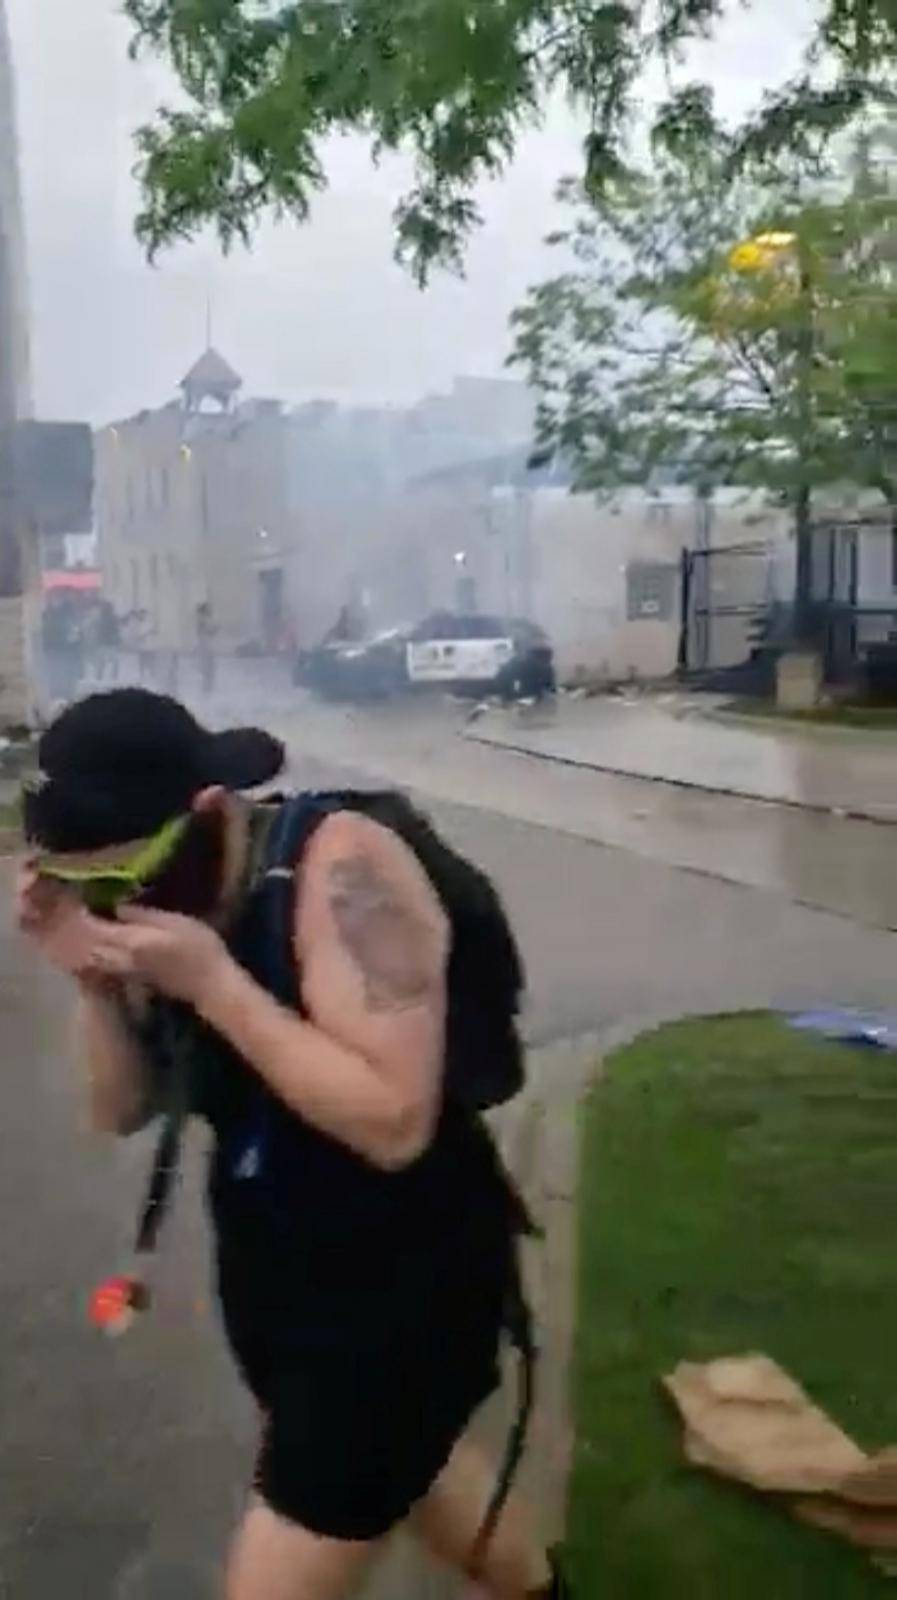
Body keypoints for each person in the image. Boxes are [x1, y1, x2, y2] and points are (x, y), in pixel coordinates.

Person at [17, 689, 568, 1600]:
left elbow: (394, 1122)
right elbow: (118, 1111)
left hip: (404, 1283)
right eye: (88, 889)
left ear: (204, 814)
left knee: (316, 1524)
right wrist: (93, 984)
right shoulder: (162, 897)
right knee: (416, 1475)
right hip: (276, 1267)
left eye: (126, 880)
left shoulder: (344, 867)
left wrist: (214, 983)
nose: (116, 906)